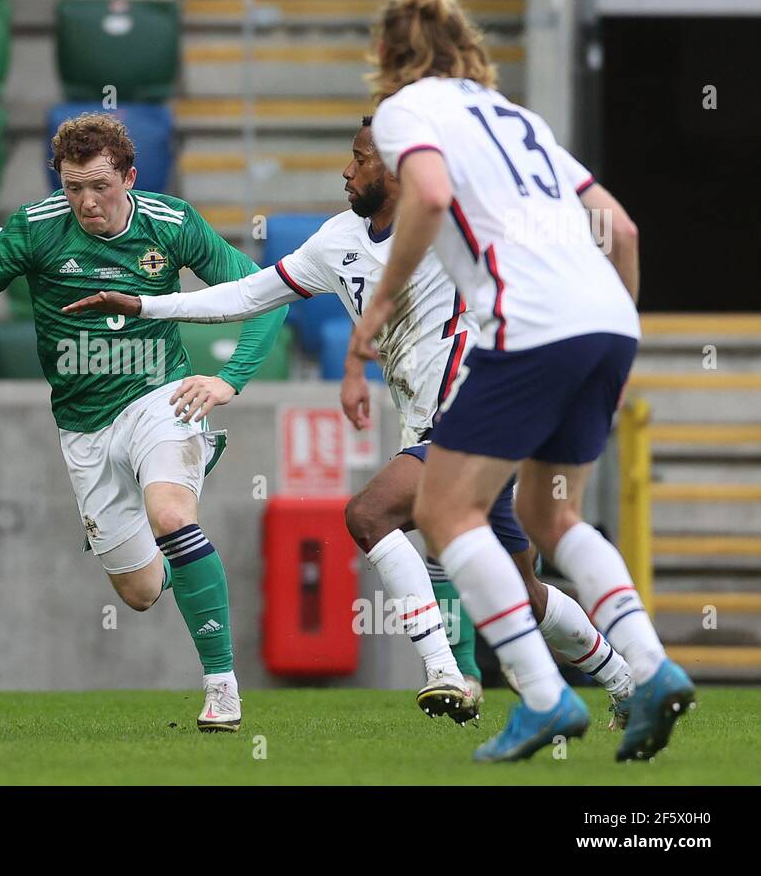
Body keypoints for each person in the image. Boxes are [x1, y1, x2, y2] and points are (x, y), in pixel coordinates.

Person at [63, 117, 636, 728]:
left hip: (483, 417)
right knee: (526, 593)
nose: (347, 169)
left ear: (394, 171)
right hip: (435, 428)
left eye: (360, 159)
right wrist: (149, 304)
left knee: (368, 513)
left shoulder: (455, 226)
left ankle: (443, 670)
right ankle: (626, 681)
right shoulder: (336, 241)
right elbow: (249, 295)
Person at [355, 0, 691, 762]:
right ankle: (652, 665)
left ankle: (544, 698)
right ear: (466, 42)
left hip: (528, 323)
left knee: (443, 512)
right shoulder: (517, 118)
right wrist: (620, 334)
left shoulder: (409, 110)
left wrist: (378, 307)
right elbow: (623, 226)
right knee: (551, 517)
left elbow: (429, 197)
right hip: (605, 319)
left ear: (387, 53)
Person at [0, 113, 288, 731]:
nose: (86, 201)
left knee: (171, 516)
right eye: (73, 186)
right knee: (137, 593)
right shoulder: (35, 228)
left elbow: (265, 292)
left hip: (162, 399)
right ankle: (179, 555)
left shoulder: (173, 223)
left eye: (100, 186)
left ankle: (222, 689)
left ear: (130, 177)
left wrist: (229, 378)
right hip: (84, 428)